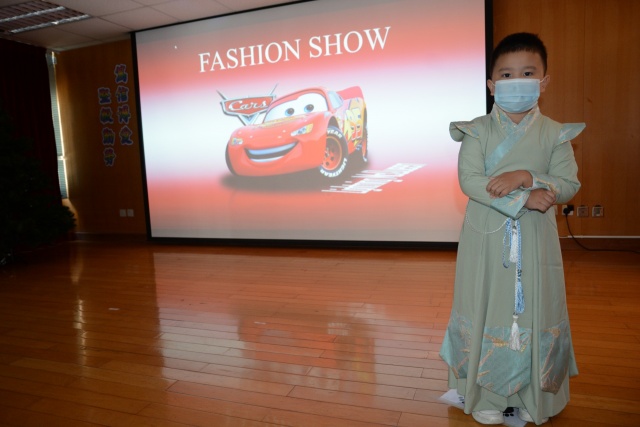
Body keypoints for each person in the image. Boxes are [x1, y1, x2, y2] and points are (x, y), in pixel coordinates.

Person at [439, 32, 584, 425]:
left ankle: (531, 398)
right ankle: (486, 394)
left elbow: (568, 184)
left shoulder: (555, 133)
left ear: (543, 81)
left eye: (527, 72)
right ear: (492, 84)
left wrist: (527, 177)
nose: (516, 80)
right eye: (506, 74)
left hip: (536, 239)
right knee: (485, 304)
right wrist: (521, 200)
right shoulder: (476, 130)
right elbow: (469, 180)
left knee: (534, 309)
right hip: (485, 236)